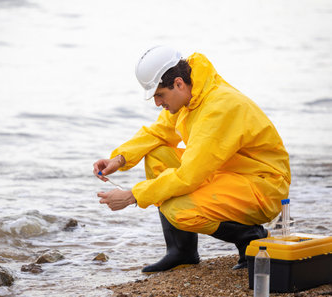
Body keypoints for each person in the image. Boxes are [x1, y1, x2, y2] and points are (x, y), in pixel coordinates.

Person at [93, 45, 291, 273]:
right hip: (230, 173)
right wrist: (118, 160)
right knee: (157, 154)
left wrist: (132, 196)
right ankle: (182, 251)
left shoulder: (218, 107)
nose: (157, 103)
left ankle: (250, 236)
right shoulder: (192, 94)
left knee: (179, 209)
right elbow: (158, 133)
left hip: (264, 186)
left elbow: (188, 176)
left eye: (159, 95)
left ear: (178, 83)